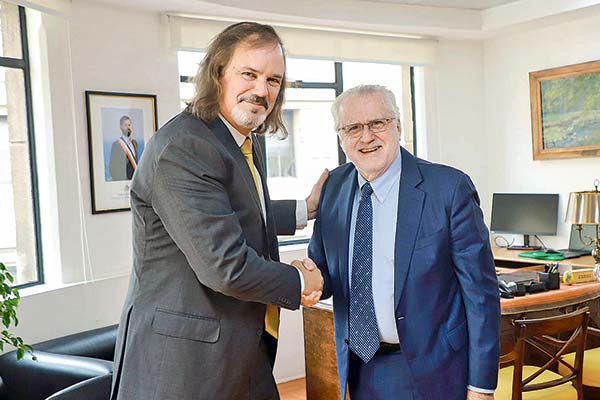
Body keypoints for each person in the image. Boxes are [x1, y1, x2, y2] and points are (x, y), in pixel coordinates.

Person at [110, 22, 326, 400]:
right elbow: (225, 266)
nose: (262, 90)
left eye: (273, 80)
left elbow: (230, 209)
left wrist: (304, 209)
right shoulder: (184, 146)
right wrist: (299, 282)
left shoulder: (241, 140)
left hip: (239, 351)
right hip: (186, 365)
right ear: (218, 73)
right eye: (250, 74)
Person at [308, 85, 500, 400]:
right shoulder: (333, 188)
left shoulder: (449, 189)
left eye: (377, 124)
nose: (365, 137)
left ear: (398, 126)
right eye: (353, 128)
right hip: (360, 365)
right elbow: (326, 273)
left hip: (436, 368)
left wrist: (481, 385)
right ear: (341, 137)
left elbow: (481, 295)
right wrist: (305, 278)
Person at [108, 115, 138, 181]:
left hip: (133, 182)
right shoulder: (116, 144)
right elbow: (112, 167)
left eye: (129, 125)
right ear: (121, 127)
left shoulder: (135, 143)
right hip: (123, 181)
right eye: (125, 125)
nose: (128, 127)